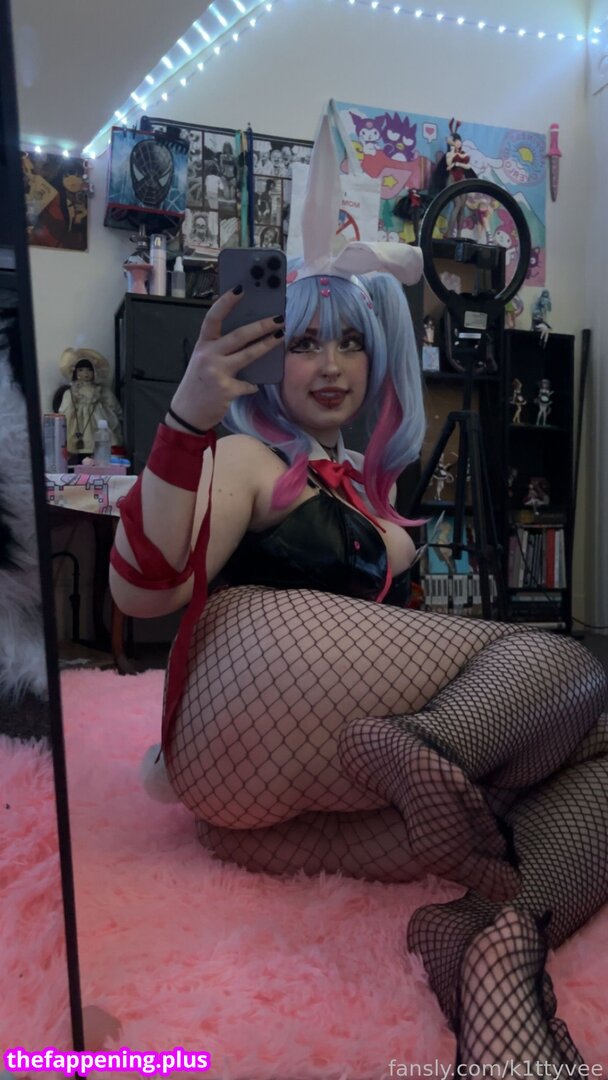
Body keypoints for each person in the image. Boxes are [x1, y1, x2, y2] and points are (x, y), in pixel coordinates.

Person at [109, 117, 608, 1069]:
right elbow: (140, 594)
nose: (332, 366)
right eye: (303, 344)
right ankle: (434, 744)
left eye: (350, 342)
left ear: (380, 358)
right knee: (565, 666)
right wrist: (187, 417)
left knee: (592, 772)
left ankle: (496, 951)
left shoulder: (369, 490)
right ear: (269, 360)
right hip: (241, 718)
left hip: (293, 812)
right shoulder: (251, 460)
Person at [57, 348, 123, 458]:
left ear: (95, 372)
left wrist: (119, 413)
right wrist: (63, 417)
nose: (85, 373)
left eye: (89, 370)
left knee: (100, 440)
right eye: (81, 370)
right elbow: (65, 407)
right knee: (75, 442)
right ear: (74, 372)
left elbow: (112, 403)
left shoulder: (100, 390)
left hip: (97, 420)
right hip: (77, 422)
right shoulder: (72, 391)